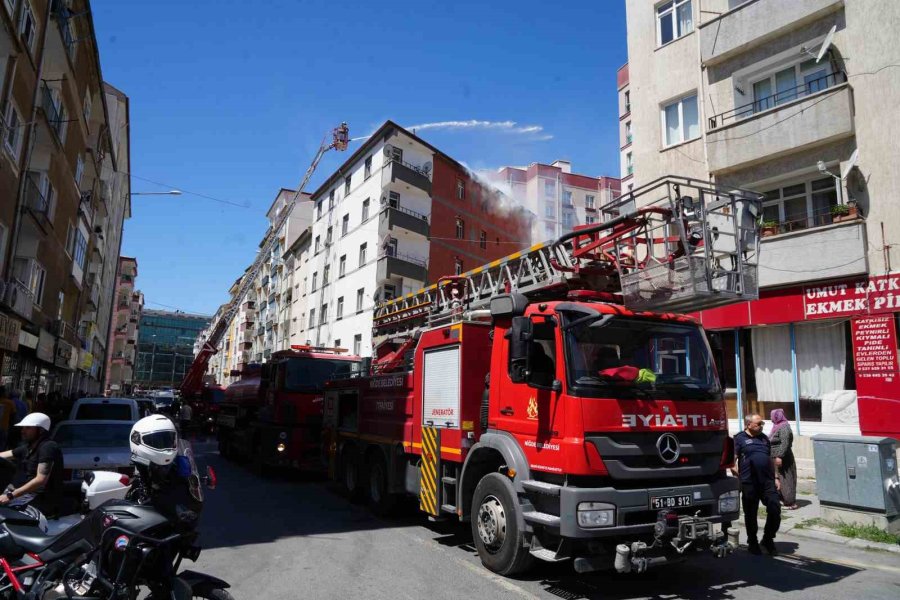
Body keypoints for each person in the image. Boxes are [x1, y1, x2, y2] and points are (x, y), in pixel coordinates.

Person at [732, 413, 781, 555]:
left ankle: (768, 538)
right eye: (758, 424)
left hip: (767, 481)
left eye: (762, 424)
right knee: (751, 514)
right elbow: (732, 462)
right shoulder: (739, 438)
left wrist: (776, 477)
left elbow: (770, 458)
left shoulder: (764, 438)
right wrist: (739, 477)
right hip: (749, 482)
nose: (761, 426)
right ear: (748, 425)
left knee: (775, 509)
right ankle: (752, 541)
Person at [0, 413, 64, 517]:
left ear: (41, 430)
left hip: (41, 499)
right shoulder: (28, 447)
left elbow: (40, 480)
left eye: (28, 428)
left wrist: (11, 495)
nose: (23, 431)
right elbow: (4, 455)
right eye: (23, 428)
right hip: (27, 495)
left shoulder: (48, 447)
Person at [770, 408, 798, 510]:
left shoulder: (784, 427)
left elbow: (785, 443)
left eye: (772, 416)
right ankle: (783, 499)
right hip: (775, 457)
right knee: (779, 479)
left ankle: (790, 502)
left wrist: (779, 456)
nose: (771, 418)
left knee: (786, 479)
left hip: (783, 458)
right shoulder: (777, 426)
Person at [0, 386, 16, 451]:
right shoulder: (10, 403)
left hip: (5, 427)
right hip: (4, 427)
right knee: (2, 445)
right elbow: (13, 415)